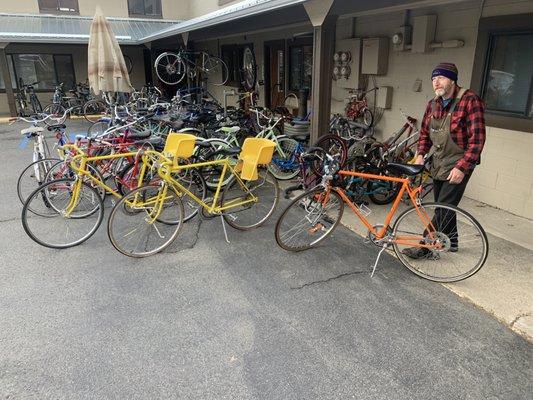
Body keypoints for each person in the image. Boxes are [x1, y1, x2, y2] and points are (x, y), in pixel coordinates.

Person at [403, 62, 486, 259]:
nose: (436, 82)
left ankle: (424, 246)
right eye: (433, 79)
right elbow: (424, 133)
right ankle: (453, 241)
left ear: (452, 80)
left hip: (459, 161)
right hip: (439, 159)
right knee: (445, 204)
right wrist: (421, 154)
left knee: (442, 206)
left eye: (440, 78)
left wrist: (462, 168)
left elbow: (478, 140)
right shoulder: (433, 104)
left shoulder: (469, 100)